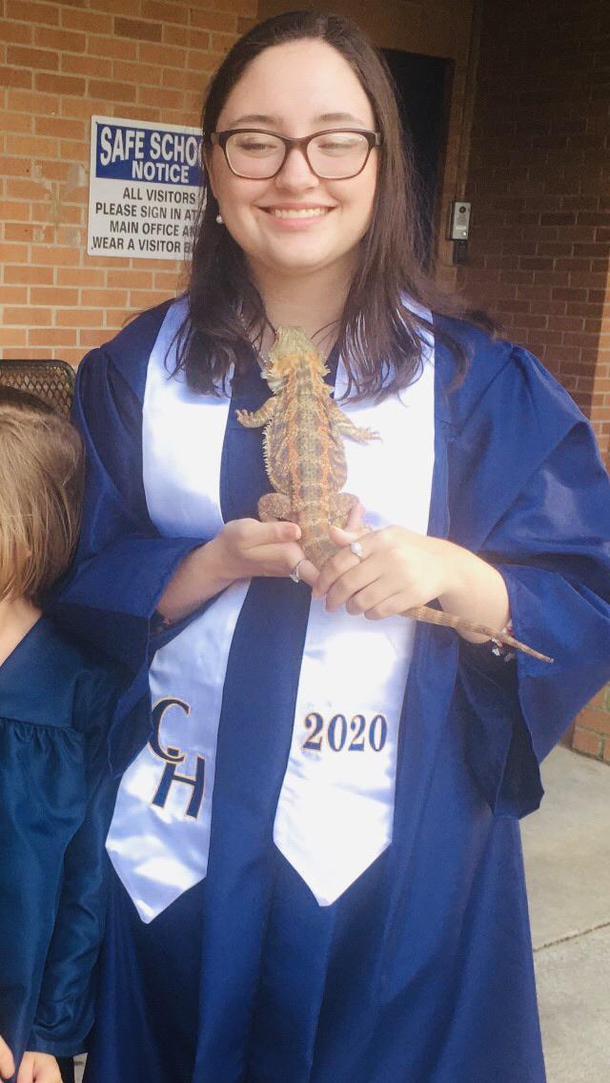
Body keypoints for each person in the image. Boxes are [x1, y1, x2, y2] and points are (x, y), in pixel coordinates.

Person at [55, 11, 610, 1083]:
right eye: (254, 139)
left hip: (395, 879)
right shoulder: (131, 372)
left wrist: (459, 575)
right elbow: (60, 577)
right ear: (213, 170)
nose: (293, 172)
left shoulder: (474, 386)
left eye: (334, 139)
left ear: (381, 166)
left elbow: (585, 580)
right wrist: (198, 564)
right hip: (173, 860)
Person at [0, 388, 125, 1083]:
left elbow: (88, 875)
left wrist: (48, 1031)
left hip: (22, 1019)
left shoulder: (82, 686)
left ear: (34, 527)